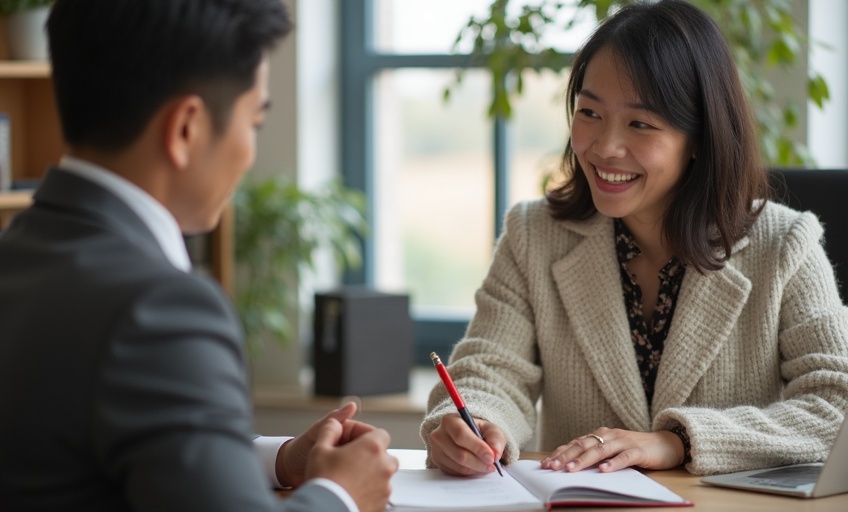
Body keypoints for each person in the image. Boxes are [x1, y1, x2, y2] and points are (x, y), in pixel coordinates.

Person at [420, 0, 848, 478]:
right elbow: (491, 369)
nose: (604, 147)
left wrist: (677, 442)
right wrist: (478, 422)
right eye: (589, 112)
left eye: (640, 124)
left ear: (700, 138)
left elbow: (837, 402)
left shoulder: (784, 243)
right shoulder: (533, 235)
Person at [0, 1, 397, 511]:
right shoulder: (160, 308)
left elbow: (87, 447)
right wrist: (341, 494)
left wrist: (280, 460)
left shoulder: (18, 254)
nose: (251, 152)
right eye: (254, 122)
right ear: (186, 129)